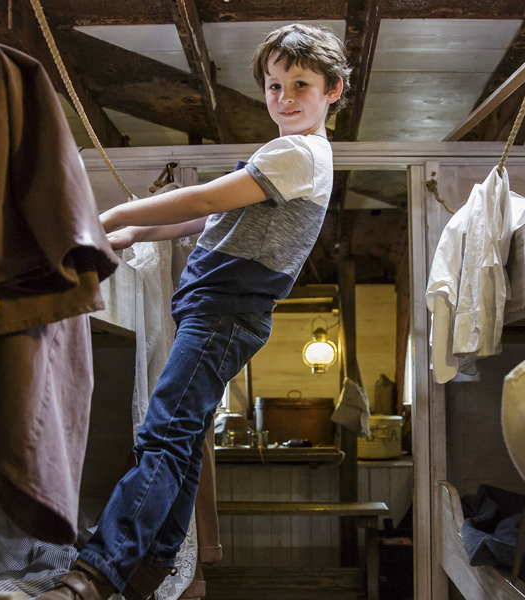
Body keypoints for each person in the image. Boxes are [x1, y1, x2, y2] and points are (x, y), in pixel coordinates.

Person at [38, 23, 350, 600]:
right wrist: (132, 231)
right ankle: (153, 566)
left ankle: (94, 576)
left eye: (299, 84)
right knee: (181, 440)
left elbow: (207, 197)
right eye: (273, 84)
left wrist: (107, 217)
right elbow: (208, 220)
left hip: (222, 312)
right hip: (219, 312)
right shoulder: (295, 157)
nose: (283, 97)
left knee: (163, 436)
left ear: (332, 91)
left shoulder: (297, 152)